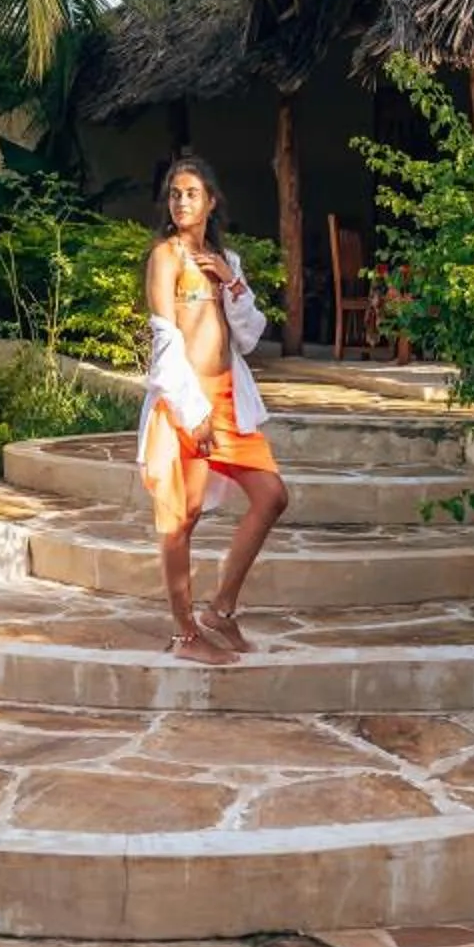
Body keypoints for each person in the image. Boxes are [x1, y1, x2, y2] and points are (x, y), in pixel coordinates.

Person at [139, 153, 289, 658]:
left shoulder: (225, 262)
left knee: (271, 496)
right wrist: (192, 410)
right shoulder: (167, 256)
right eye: (175, 193)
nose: (182, 201)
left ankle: (220, 610)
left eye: (192, 193)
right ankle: (185, 635)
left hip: (229, 399)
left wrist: (232, 281)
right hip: (187, 402)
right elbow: (163, 339)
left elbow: (248, 337)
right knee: (183, 517)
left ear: (211, 202)